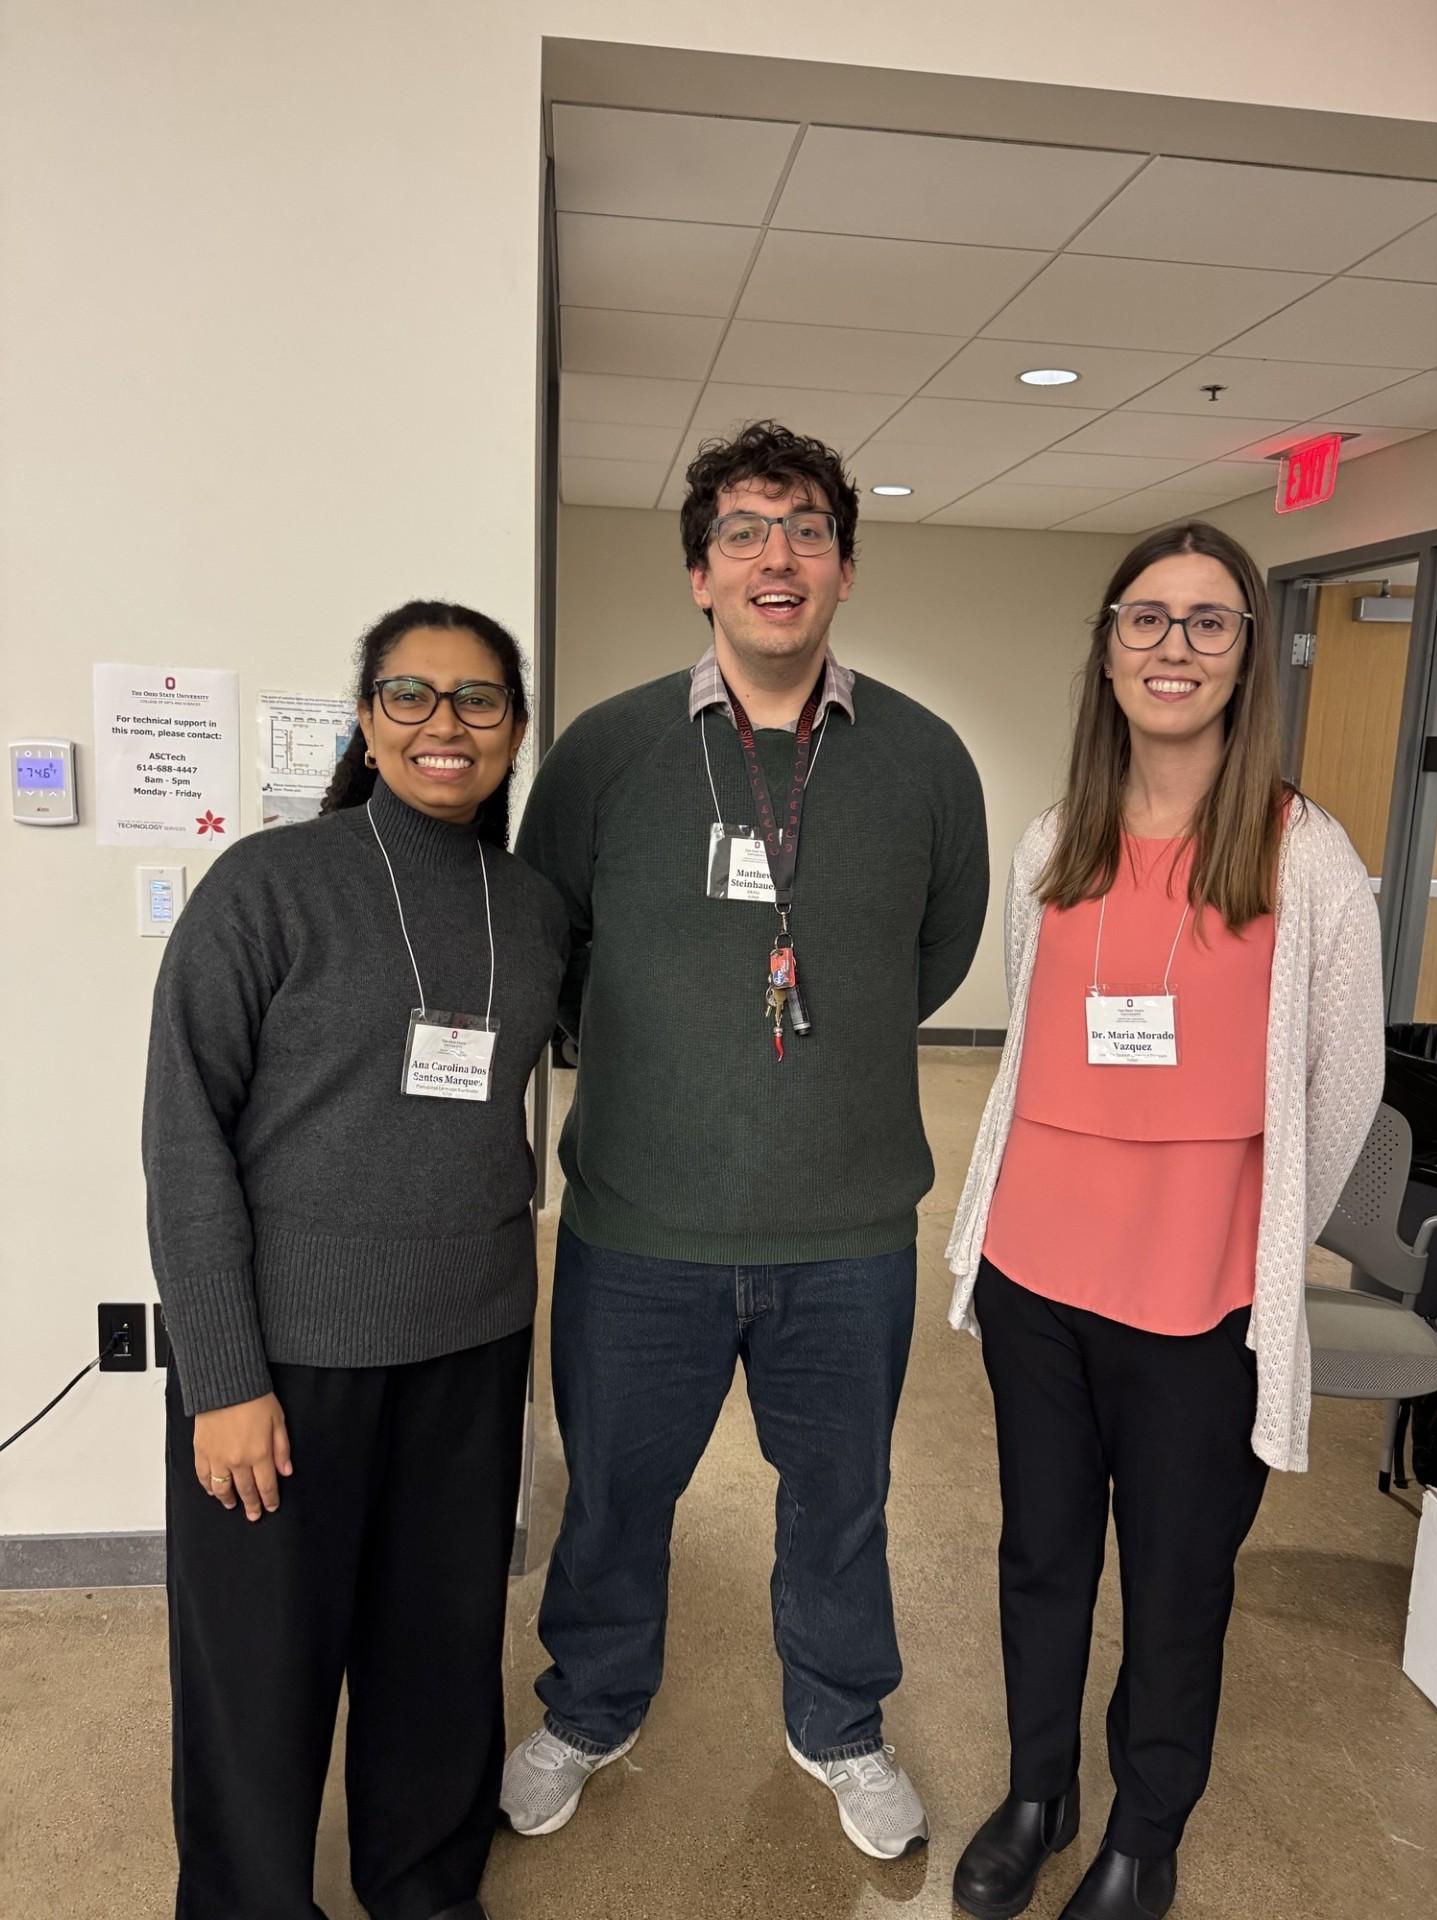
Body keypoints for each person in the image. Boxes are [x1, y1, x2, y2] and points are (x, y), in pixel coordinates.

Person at [502, 421, 989, 1860]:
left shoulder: (922, 758)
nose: (777, 557)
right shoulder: (606, 752)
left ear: (845, 564)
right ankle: (589, 1708)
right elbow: (551, 938)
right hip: (638, 1225)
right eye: (744, 533)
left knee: (842, 1504)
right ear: (700, 576)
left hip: (844, 1234)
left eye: (806, 530)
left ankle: (839, 1723)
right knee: (613, 1498)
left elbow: (937, 952)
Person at [945, 523, 1384, 1920]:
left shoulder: (1304, 855)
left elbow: (1345, 1079)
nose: (1173, 648)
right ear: (1109, 647)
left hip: (1203, 1300)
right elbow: (1027, 1053)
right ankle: (1036, 1791)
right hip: (1037, 1272)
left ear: (1249, 654)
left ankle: (1146, 1826)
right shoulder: (1052, 840)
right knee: (1041, 1557)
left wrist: (1260, 1237)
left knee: (1180, 1578)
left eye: (1208, 622)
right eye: (1147, 619)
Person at [143, 601, 567, 1920]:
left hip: (471, 1340)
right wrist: (220, 1377)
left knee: (438, 1651)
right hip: (289, 1359)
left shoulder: (536, 906)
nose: (447, 724)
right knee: (260, 1670)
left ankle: (427, 1887)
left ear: (514, 726)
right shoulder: (269, 885)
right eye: (412, 695)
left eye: (479, 699)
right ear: (367, 722)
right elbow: (185, 1136)